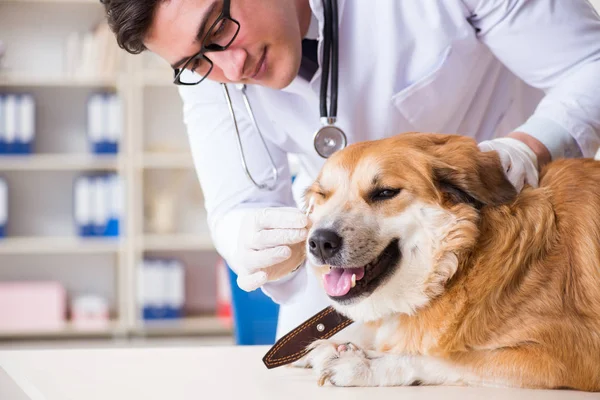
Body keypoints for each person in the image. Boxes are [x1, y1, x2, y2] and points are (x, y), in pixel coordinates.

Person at [101, 0, 600, 338]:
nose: (230, 70)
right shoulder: (214, 76)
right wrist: (246, 238)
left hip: (511, 238)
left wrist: (523, 151)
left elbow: (591, 65)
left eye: (218, 29)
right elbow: (237, 205)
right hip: (357, 264)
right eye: (194, 61)